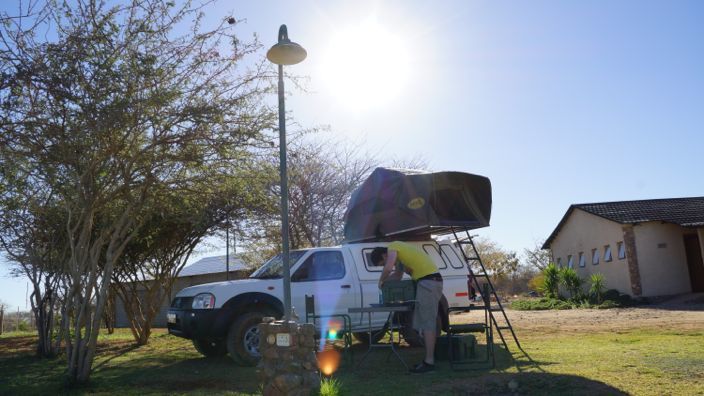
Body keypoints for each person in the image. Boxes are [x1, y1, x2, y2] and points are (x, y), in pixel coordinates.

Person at [371, 241, 443, 373]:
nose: (384, 266)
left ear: (384, 255)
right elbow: (397, 276)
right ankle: (429, 359)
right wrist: (385, 283)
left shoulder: (393, 245)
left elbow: (388, 268)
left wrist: (380, 280)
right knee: (422, 323)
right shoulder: (401, 259)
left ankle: (429, 362)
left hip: (429, 282)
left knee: (427, 323)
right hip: (425, 282)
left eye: (382, 263)